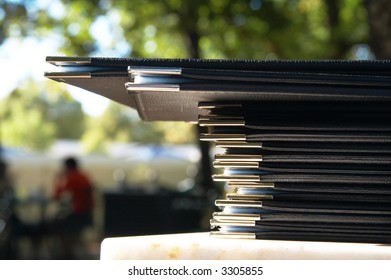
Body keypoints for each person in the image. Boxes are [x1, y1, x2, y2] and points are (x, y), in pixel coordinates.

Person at [52, 157, 94, 258]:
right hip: (87, 214)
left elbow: (57, 195)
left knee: (55, 225)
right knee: (61, 220)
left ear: (67, 167)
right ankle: (69, 252)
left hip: (78, 215)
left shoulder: (73, 177)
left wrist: (58, 179)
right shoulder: (83, 176)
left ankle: (67, 254)